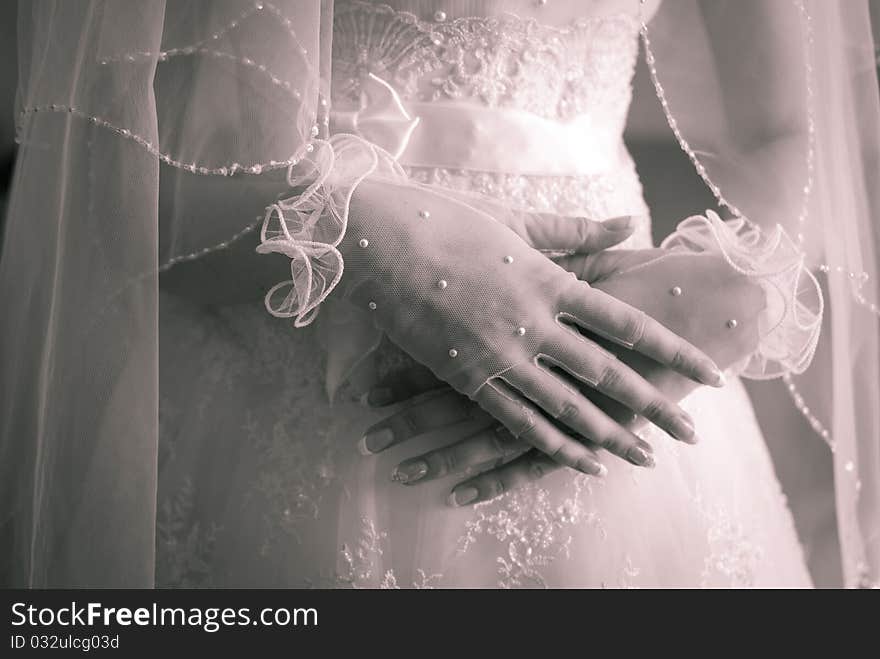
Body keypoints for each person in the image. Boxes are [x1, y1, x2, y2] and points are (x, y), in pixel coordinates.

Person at [1, 0, 877, 588]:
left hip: (611, 359)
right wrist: (356, 231)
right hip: (259, 356)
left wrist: (736, 286)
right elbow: (87, 154)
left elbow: (789, 127)